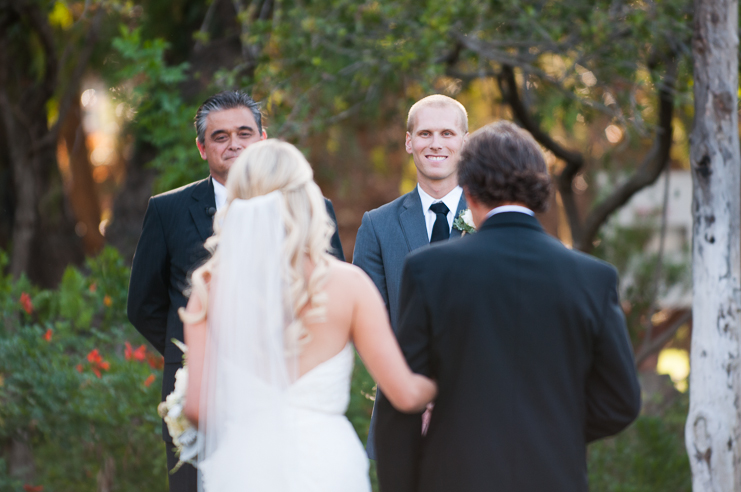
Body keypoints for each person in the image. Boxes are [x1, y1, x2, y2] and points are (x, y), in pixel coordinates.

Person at [375, 121, 642, 492]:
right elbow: (621, 401)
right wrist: (552, 428)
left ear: (467, 190)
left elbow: (399, 403)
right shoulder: (593, 278)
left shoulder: (429, 270)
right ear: (539, 189)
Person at [179, 139, 437, 491]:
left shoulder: (208, 289)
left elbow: (197, 408)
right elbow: (405, 394)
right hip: (326, 464)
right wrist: (442, 382)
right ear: (304, 198)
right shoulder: (348, 284)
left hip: (243, 468)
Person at [126, 91, 345, 492]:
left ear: (263, 139)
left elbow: (330, 300)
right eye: (220, 136)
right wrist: (199, 355)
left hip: (290, 396)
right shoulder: (167, 211)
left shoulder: (314, 209)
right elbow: (144, 305)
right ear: (202, 148)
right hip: (199, 403)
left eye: (244, 133)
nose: (234, 144)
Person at [353, 94, 469, 457]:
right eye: (425, 133)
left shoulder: (491, 219)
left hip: (475, 409)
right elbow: (367, 324)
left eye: (448, 133)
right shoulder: (377, 224)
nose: (436, 144)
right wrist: (413, 391)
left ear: (465, 141)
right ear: (409, 141)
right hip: (401, 410)